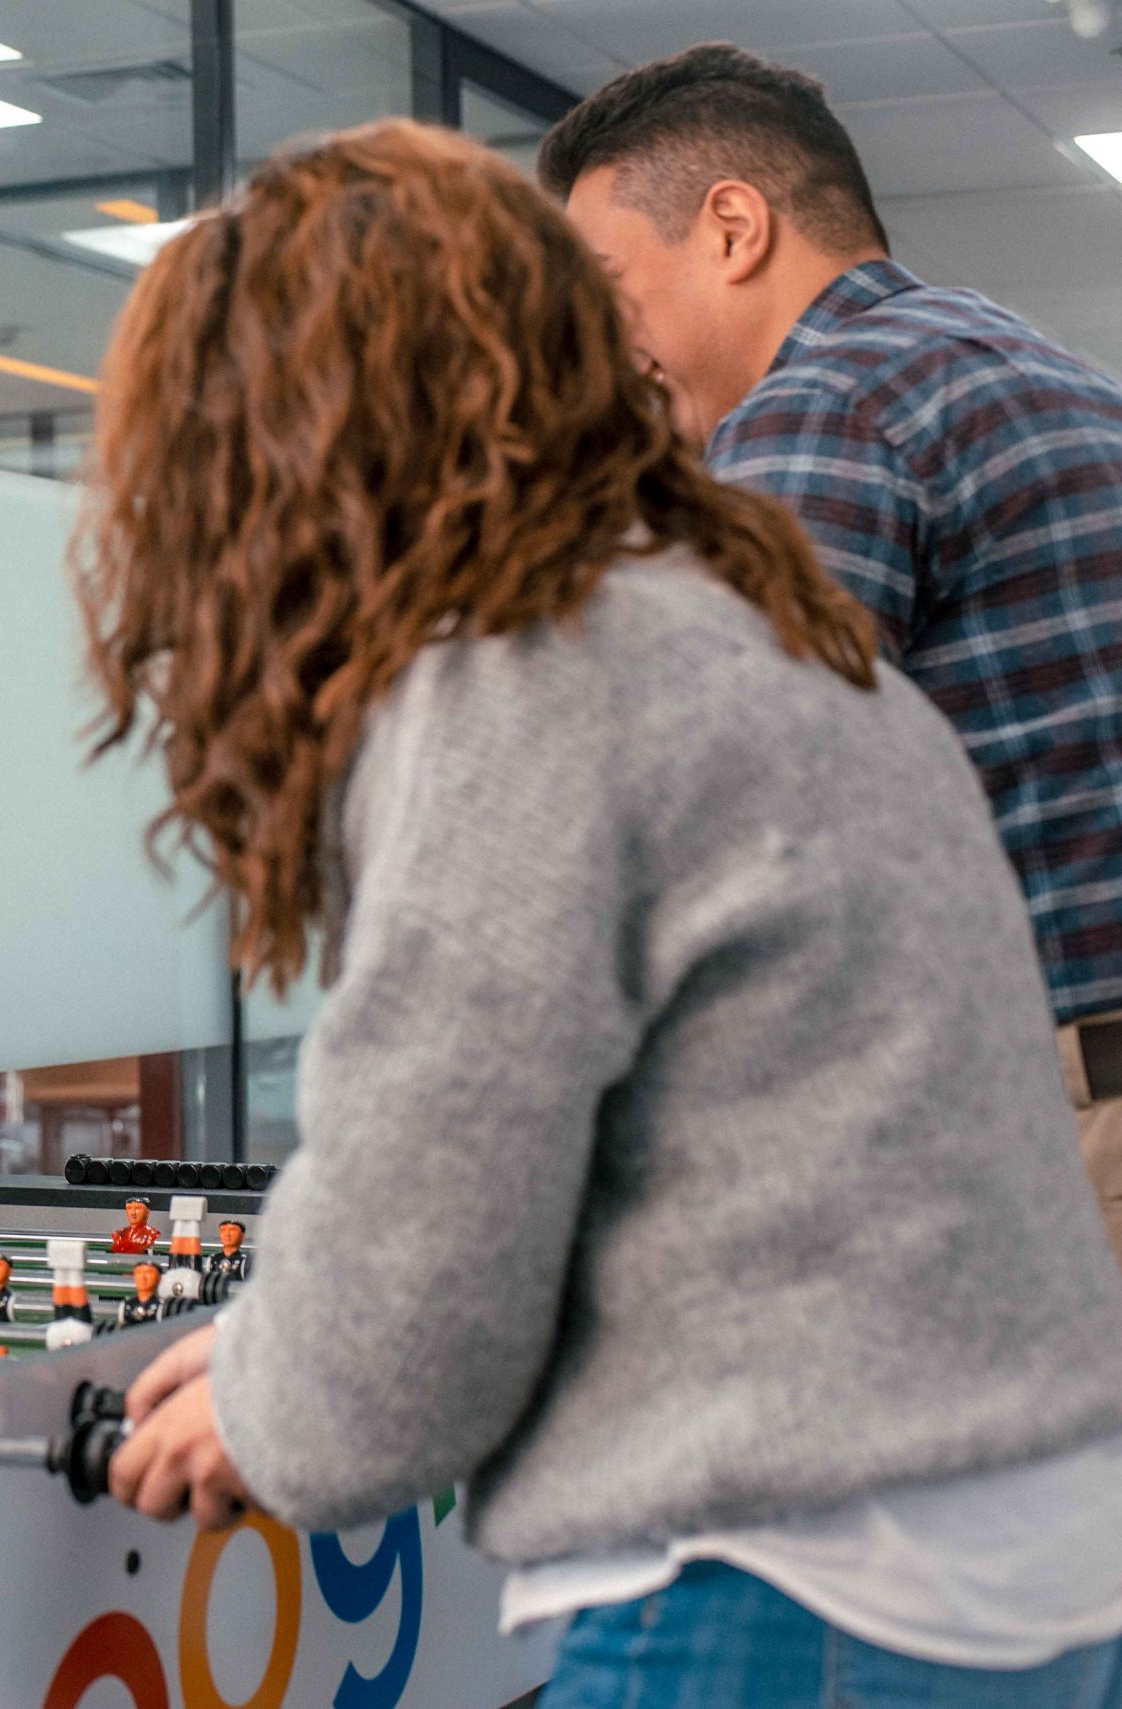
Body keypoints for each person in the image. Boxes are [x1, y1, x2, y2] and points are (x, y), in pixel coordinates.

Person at [84, 122, 1122, 1706]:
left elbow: (429, 1269)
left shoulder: (525, 675)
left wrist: (278, 1397)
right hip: (1018, 1567)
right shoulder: (747, 622)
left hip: (788, 1584)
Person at [541, 44, 1122, 1266]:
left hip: (1055, 1116)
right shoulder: (1048, 374)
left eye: (607, 286)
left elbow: (714, 830)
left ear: (733, 225)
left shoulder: (823, 406)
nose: (608, 344)